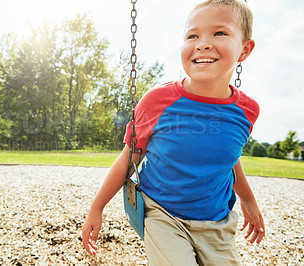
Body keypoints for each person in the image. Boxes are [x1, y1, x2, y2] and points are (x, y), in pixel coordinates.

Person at [82, 0, 265, 264]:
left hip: (216, 223)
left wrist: (249, 201)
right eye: (193, 35)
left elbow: (229, 160)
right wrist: (96, 209)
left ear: (245, 50)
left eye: (219, 33)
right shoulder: (158, 101)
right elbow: (128, 158)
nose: (202, 43)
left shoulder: (247, 111)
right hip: (162, 214)